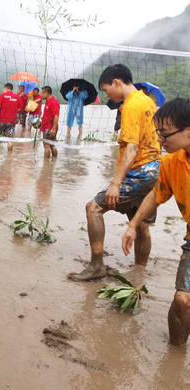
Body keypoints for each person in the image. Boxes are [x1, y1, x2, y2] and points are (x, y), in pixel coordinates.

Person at [70, 64, 160, 281]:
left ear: (117, 82)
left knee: (93, 208)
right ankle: (139, 274)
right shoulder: (149, 101)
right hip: (155, 170)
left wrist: (117, 183)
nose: (106, 94)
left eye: (106, 88)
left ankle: (97, 266)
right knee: (142, 226)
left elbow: (132, 147)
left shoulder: (131, 105)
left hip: (139, 171)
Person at [122, 98, 190, 345]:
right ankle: (175, 355)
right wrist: (132, 225)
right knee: (182, 301)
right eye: (158, 133)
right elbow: (157, 194)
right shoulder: (170, 162)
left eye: (165, 134)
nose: (159, 140)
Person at [40, 86, 60, 158]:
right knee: (52, 145)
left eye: (42, 93)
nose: (41, 95)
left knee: (47, 146)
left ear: (47, 93)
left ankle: (45, 165)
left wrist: (54, 129)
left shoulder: (54, 102)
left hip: (50, 128)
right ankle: (53, 161)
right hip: (46, 126)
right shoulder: (47, 101)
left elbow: (56, 116)